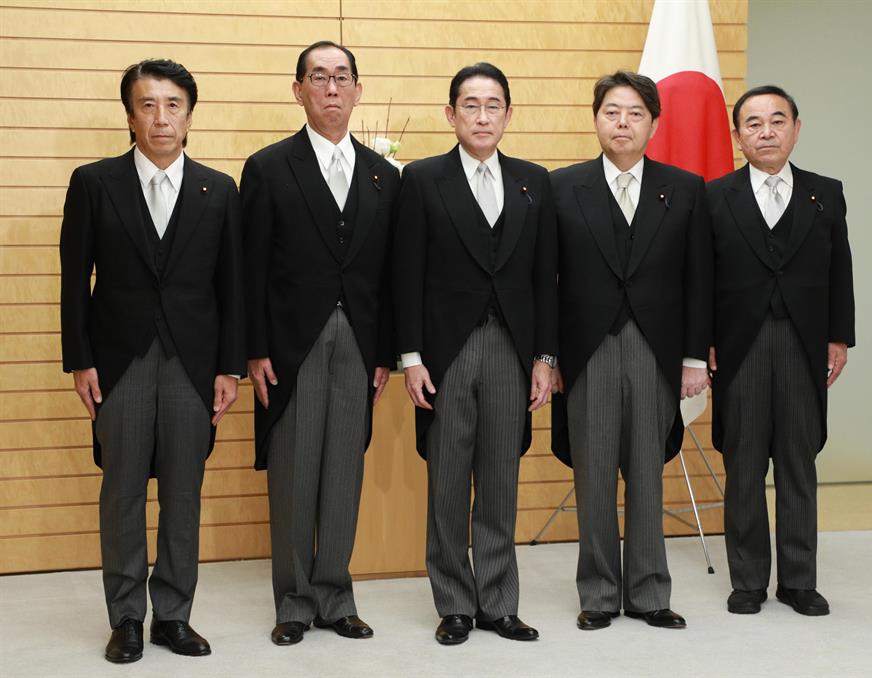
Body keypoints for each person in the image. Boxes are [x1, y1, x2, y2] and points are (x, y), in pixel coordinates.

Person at [59, 59, 244, 663]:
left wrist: (228, 368)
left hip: (194, 364)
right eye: (148, 104)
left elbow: (231, 288)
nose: (160, 117)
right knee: (122, 492)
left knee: (185, 493)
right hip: (119, 361)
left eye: (173, 105)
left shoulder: (220, 190)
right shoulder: (95, 182)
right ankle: (126, 618)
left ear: (190, 114)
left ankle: (174, 614)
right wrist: (80, 361)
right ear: (130, 113)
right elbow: (73, 280)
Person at [240, 41, 400, 646]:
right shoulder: (267, 167)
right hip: (290, 345)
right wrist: (252, 349)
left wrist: (386, 350)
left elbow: (391, 275)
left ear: (358, 90)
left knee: (343, 472)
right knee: (294, 472)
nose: (331, 88)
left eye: (341, 77)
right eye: (318, 77)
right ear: (299, 90)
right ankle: (293, 602)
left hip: (360, 342)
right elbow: (249, 267)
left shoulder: (386, 175)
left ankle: (336, 594)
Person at [393, 63, 557, 645]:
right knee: (447, 479)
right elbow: (405, 273)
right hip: (445, 351)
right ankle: (454, 603)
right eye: (471, 105)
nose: (482, 116)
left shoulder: (535, 181)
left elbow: (545, 279)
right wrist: (410, 357)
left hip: (513, 350)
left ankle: (499, 602)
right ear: (451, 114)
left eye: (494, 106)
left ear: (509, 115)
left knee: (500, 476)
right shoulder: (422, 179)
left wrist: (546, 357)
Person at [550, 71, 712, 631]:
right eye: (612, 112)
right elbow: (546, 280)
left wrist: (695, 358)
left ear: (654, 123)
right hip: (586, 352)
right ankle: (597, 593)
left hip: (655, 351)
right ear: (595, 118)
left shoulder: (686, 189)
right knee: (593, 476)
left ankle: (649, 592)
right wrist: (549, 357)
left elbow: (698, 281)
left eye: (635, 113)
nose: (623, 123)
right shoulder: (561, 187)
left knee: (648, 472)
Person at [708, 85, 855, 617]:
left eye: (776, 120)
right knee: (743, 462)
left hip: (803, 342)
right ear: (738, 135)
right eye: (753, 123)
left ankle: (799, 581)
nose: (765, 131)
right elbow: (702, 277)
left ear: (795, 127)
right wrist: (702, 341)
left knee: (798, 461)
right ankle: (747, 581)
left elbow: (841, 269)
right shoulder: (715, 195)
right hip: (738, 346)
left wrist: (838, 335)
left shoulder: (826, 192)